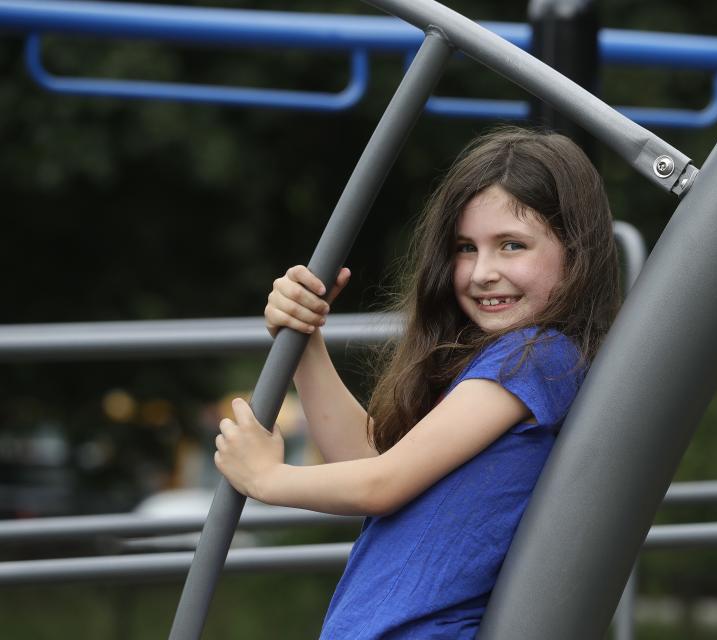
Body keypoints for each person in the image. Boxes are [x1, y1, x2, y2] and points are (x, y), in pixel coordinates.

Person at [214, 126, 621, 638]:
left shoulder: (535, 358)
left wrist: (267, 479)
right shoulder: (508, 361)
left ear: (576, 251)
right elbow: (369, 464)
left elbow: (381, 485)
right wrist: (306, 345)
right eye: (465, 248)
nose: (482, 272)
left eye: (512, 245)